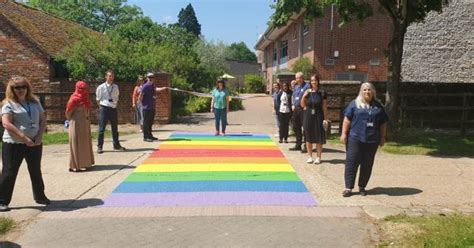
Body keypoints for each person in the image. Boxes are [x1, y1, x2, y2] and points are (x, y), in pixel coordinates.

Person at [0, 76, 50, 212]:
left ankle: (40, 196)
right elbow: (6, 123)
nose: (21, 90)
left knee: (35, 170)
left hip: (34, 143)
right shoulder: (8, 104)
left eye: (23, 87)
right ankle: (2, 200)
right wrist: (23, 137)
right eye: (17, 87)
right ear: (12, 89)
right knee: (9, 172)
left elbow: (42, 119)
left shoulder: (34, 102)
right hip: (14, 144)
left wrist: (39, 136)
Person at [340, 82, 388, 197]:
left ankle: (362, 186)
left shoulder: (378, 106)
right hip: (355, 138)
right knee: (352, 162)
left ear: (373, 92)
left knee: (367, 164)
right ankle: (348, 188)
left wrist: (382, 137)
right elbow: (347, 119)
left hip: (372, 140)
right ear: (361, 92)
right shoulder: (354, 104)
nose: (367, 92)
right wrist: (343, 134)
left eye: (369, 90)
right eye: (365, 90)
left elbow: (383, 123)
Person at [65, 81, 94, 172]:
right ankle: (75, 165)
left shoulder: (86, 98)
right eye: (81, 88)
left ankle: (86, 163)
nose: (83, 90)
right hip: (76, 123)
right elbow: (68, 113)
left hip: (85, 123)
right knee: (76, 144)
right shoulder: (73, 99)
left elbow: (88, 108)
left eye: (84, 88)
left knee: (85, 144)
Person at [95, 69, 126, 153]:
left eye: (112, 76)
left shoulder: (116, 87)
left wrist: (114, 105)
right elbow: (98, 99)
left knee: (115, 128)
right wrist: (101, 108)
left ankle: (116, 145)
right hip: (104, 108)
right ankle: (99, 146)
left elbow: (117, 97)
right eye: (109, 76)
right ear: (106, 77)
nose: (111, 78)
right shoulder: (101, 87)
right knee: (102, 129)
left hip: (113, 109)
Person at [139, 72, 167, 142]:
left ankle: (150, 135)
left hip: (152, 107)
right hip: (146, 108)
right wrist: (142, 103)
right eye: (149, 77)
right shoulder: (145, 86)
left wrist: (163, 88)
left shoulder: (152, 86)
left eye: (152, 77)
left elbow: (156, 89)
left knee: (150, 122)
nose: (151, 79)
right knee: (146, 122)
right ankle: (145, 136)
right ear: (147, 78)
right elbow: (141, 95)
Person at [289, 72, 310, 152]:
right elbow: (294, 97)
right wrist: (293, 104)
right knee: (295, 126)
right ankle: (298, 144)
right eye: (297, 78)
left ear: (303, 78)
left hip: (303, 109)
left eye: (300, 77)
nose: (298, 79)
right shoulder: (296, 87)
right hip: (296, 109)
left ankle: (305, 145)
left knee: (305, 128)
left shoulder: (307, 86)